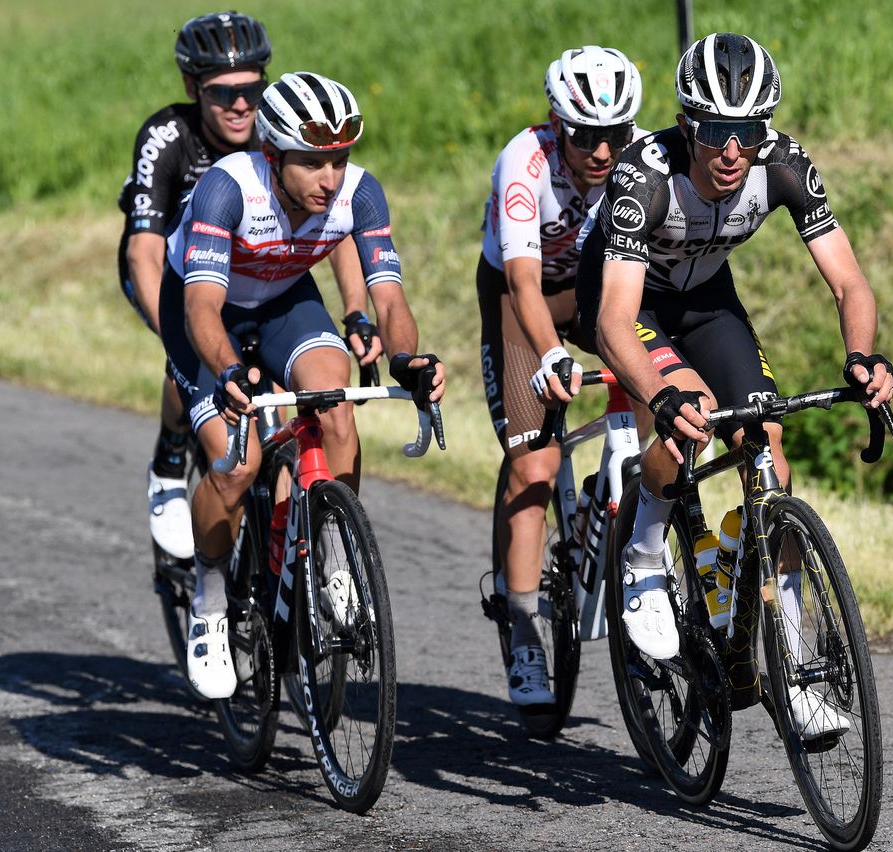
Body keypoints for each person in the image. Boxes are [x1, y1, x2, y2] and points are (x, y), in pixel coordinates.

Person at [575, 33, 893, 738]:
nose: (731, 151)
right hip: (632, 303)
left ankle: (793, 653)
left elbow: (848, 281)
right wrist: (660, 397)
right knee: (689, 417)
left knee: (767, 438)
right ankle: (643, 557)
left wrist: (864, 356)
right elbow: (614, 322)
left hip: (709, 299)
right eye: (716, 131)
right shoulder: (643, 176)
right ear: (687, 124)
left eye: (747, 132)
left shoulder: (782, 162)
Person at [159, 71, 445, 699]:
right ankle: (209, 598)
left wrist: (406, 360)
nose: (331, 177)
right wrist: (230, 370)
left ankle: (332, 555)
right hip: (206, 311)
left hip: (286, 298)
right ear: (273, 153)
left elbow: (390, 298)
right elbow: (202, 309)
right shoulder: (225, 189)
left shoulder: (360, 194)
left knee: (336, 410)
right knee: (237, 465)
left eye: (339, 158)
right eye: (313, 161)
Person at [117, 12, 380, 561]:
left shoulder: (289, 143)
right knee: (188, 364)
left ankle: (287, 551)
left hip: (264, 281)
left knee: (287, 407)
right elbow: (143, 250)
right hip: (174, 273)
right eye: (223, 92)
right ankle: (169, 459)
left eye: (253, 89)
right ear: (193, 88)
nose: (241, 104)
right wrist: (178, 335)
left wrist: (357, 309)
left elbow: (333, 232)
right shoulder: (168, 137)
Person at [478, 46, 643, 707]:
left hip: (593, 289)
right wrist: (550, 356)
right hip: (522, 302)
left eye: (615, 135)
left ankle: (616, 529)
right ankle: (521, 627)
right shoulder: (525, 160)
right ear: (556, 124)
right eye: (585, 136)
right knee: (536, 468)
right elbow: (520, 279)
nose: (602, 152)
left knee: (660, 389)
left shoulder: (637, 161)